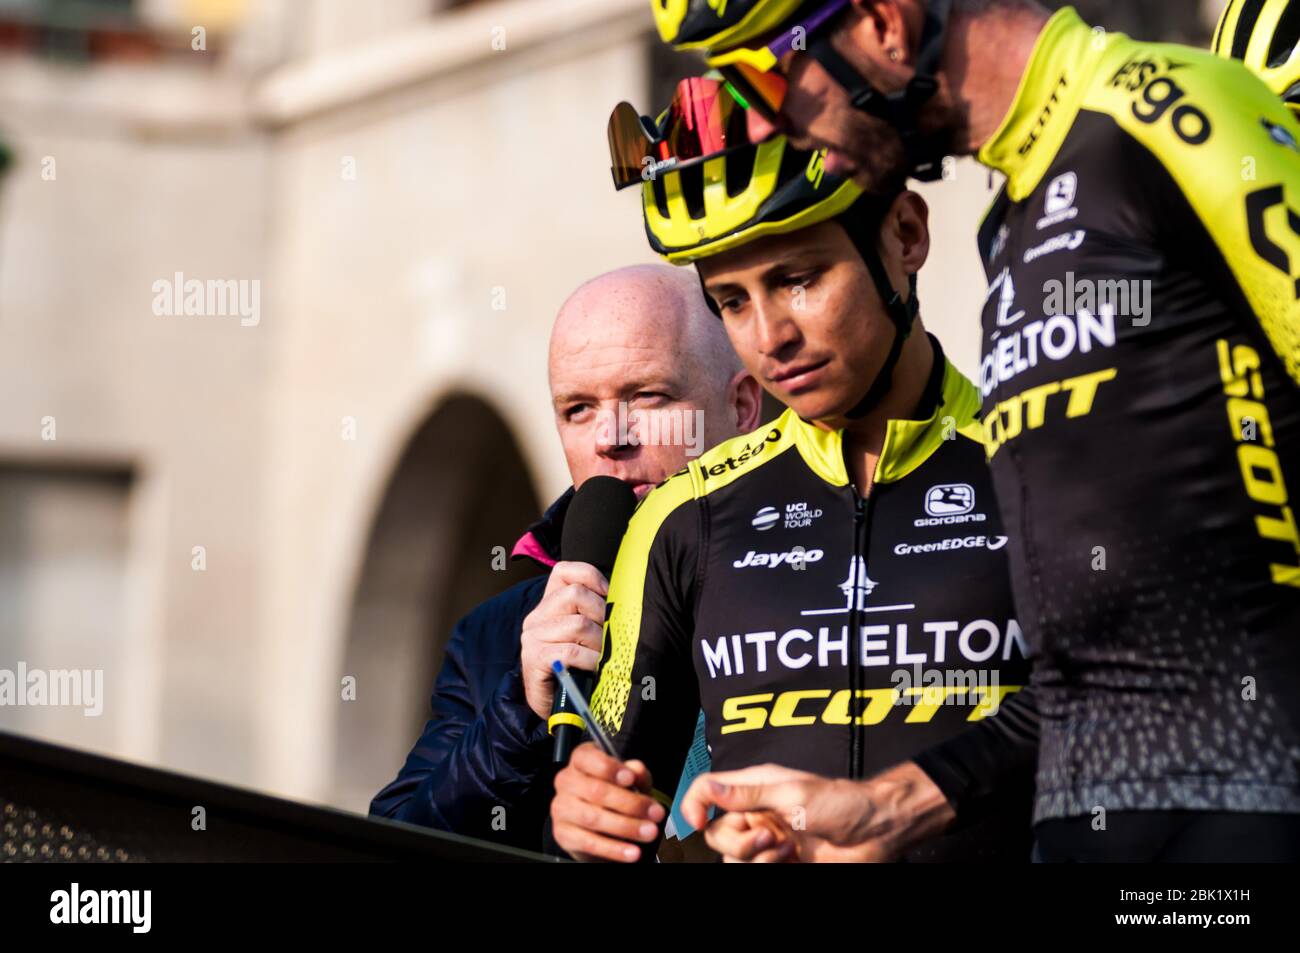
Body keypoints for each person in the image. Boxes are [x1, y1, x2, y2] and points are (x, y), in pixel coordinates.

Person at [656, 0, 1300, 861]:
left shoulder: (1169, 115)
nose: (778, 121)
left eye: (772, 74)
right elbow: (1089, 669)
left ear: (885, 21)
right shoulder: (1017, 218)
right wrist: (889, 806)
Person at [551, 114, 1034, 863]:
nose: (768, 335)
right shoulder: (687, 517)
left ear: (906, 234)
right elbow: (621, 810)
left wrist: (905, 802)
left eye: (799, 279)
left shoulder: (1041, 469)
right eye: (733, 301)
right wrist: (592, 813)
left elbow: (1144, 718)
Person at [369, 264, 761, 852]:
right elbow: (391, 844)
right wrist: (520, 713)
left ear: (743, 406)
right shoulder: (498, 635)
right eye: (578, 409)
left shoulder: (826, 579)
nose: (609, 436)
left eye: (647, 396)